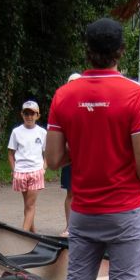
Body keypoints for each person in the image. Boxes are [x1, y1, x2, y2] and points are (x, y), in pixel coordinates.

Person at [45, 17, 140, 280]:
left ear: (87, 51)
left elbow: (53, 159)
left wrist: (85, 145)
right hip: (126, 210)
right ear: (120, 52)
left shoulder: (64, 95)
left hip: (84, 212)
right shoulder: (134, 94)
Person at [8, 100, 47, 232]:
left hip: (36, 170)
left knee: (30, 205)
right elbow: (10, 153)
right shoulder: (16, 132)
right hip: (21, 172)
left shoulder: (42, 132)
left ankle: (23, 234)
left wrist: (44, 168)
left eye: (32, 114)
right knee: (27, 205)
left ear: (38, 115)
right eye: (26, 113)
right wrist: (14, 170)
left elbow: (47, 152)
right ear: (22, 114)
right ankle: (33, 233)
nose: (29, 117)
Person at [59, 72, 82, 237]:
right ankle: (69, 226)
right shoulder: (62, 108)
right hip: (69, 157)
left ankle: (84, 227)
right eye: (70, 83)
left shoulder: (88, 106)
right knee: (71, 193)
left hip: (86, 157)